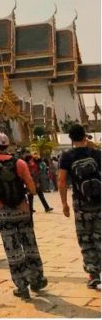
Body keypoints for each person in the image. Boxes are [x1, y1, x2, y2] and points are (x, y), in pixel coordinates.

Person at [0, 132, 46, 298]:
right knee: (30, 245)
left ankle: (22, 286)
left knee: (12, 249)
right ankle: (37, 279)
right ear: (8, 145)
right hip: (22, 210)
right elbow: (31, 187)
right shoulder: (20, 163)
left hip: (3, 212)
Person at [58, 123, 101, 288]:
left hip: (81, 204)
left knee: (85, 239)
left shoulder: (67, 156)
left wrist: (64, 203)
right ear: (85, 136)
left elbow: (61, 181)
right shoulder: (96, 153)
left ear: (70, 138)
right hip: (99, 202)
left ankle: (93, 274)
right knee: (100, 237)